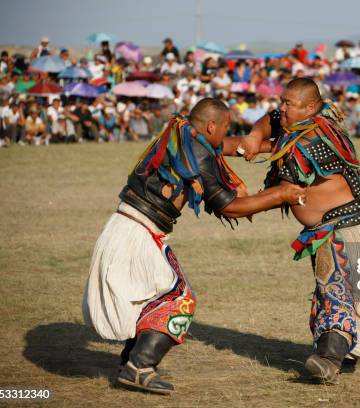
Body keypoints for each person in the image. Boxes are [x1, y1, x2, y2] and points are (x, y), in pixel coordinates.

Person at [83, 98, 306, 395]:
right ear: (212, 125)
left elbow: (227, 145)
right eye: (225, 126)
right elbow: (229, 207)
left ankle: (130, 362)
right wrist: (280, 194)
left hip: (131, 226)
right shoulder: (198, 151)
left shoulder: (183, 132)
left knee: (156, 295)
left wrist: (268, 145)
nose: (227, 133)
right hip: (137, 233)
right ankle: (139, 366)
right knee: (179, 300)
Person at [235, 78, 360, 384]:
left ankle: (328, 359)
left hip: (343, 232)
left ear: (310, 107)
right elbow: (271, 121)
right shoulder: (311, 122)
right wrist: (255, 135)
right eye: (282, 101)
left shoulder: (310, 141)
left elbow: (284, 192)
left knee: (334, 292)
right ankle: (359, 344)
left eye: (289, 104)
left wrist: (236, 205)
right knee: (350, 298)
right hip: (340, 228)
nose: (281, 108)